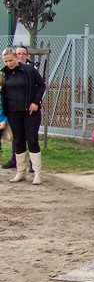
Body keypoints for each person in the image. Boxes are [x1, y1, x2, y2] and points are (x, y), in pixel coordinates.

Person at [1, 48, 46, 184]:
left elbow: (41, 85)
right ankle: (20, 172)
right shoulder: (4, 73)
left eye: (11, 60)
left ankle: (37, 173)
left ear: (17, 58)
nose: (9, 63)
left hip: (30, 112)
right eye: (6, 61)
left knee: (32, 139)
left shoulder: (29, 70)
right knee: (18, 141)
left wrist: (36, 102)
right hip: (14, 112)